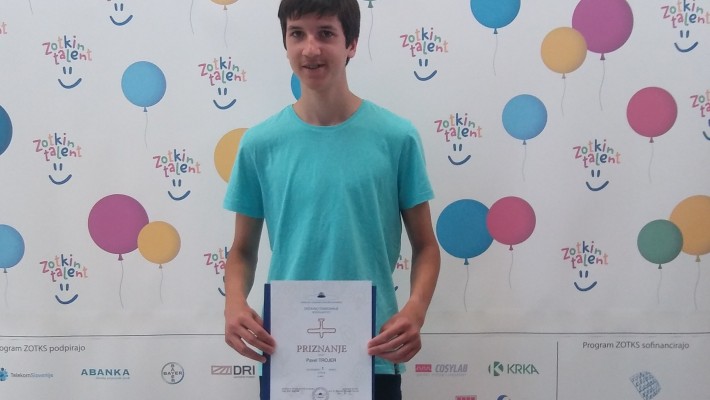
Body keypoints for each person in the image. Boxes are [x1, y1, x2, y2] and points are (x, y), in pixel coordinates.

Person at [222, 0, 440, 398]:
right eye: (297, 34)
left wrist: (415, 310)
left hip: (374, 354)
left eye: (325, 33)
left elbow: (426, 246)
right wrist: (234, 303)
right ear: (285, 43)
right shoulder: (259, 144)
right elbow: (241, 250)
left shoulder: (396, 138)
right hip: (287, 357)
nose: (310, 49)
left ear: (351, 43)